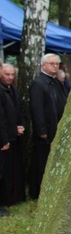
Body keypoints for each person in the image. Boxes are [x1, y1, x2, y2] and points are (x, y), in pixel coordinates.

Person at [28, 53, 69, 199]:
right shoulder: (39, 84)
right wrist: (41, 130)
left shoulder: (56, 82)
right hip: (45, 130)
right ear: (43, 65)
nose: (55, 66)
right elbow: (36, 108)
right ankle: (38, 191)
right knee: (41, 162)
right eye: (51, 63)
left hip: (56, 127)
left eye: (56, 64)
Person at [0, 64, 26, 209]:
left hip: (14, 136)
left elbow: (19, 111)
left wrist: (20, 126)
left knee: (13, 171)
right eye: (6, 74)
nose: (9, 78)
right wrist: (4, 138)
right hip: (5, 138)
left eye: (12, 75)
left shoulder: (14, 90)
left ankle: (13, 197)